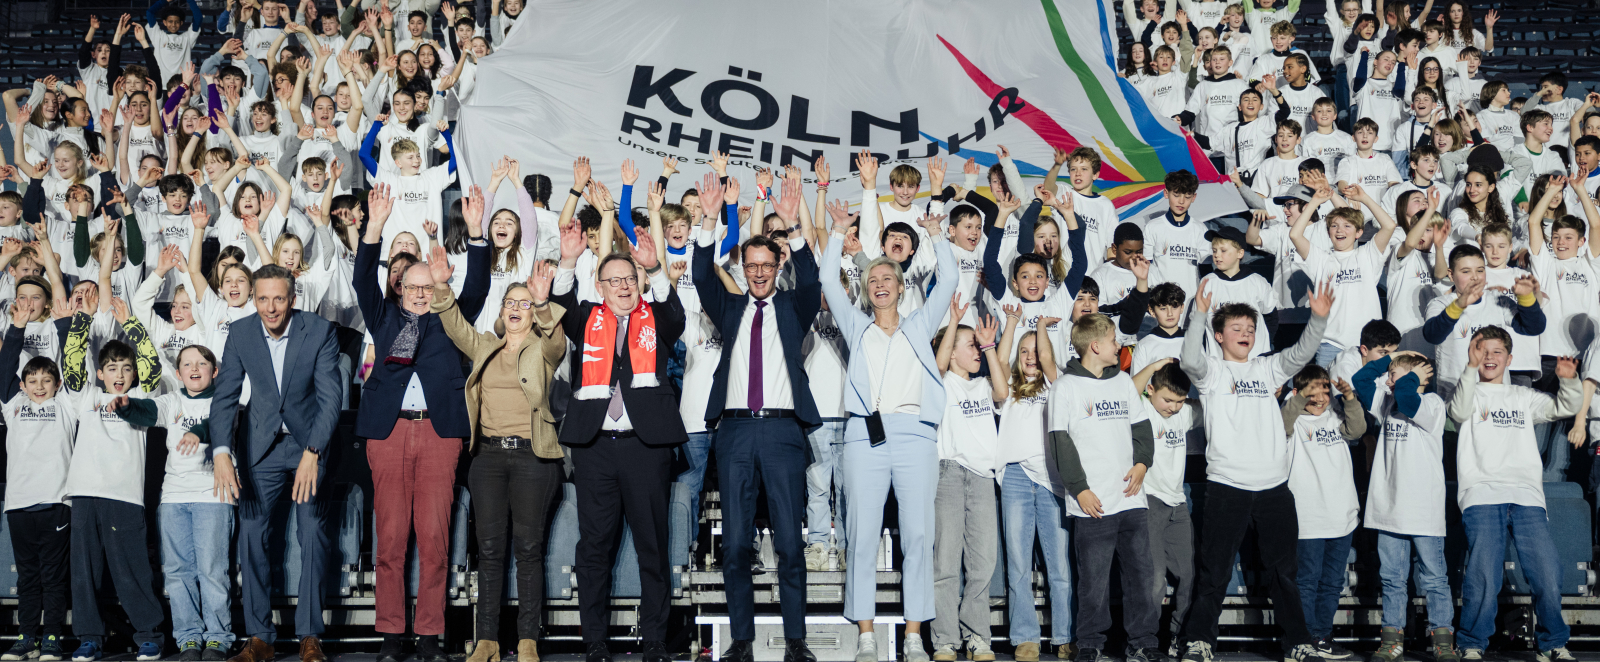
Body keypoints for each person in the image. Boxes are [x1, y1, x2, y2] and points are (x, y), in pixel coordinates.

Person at [819, 154, 956, 662]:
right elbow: (828, 282)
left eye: (888, 279)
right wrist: (838, 232)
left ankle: (915, 635)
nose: (879, 284)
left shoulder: (920, 324)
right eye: (873, 279)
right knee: (862, 535)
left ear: (901, 287)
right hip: (864, 437)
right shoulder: (856, 326)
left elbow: (949, 282)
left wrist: (938, 235)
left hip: (915, 436)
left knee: (917, 534)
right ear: (868, 287)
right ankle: (866, 635)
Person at [551, 177, 686, 662]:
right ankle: (594, 642)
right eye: (614, 281)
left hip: (645, 447)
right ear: (600, 286)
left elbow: (675, 315)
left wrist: (656, 266)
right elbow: (560, 305)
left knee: (653, 547)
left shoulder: (656, 316)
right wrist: (568, 261)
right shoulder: (586, 317)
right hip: (595, 448)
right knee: (594, 548)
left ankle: (655, 641)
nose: (624, 287)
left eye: (630, 279)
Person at [354, 183, 490, 662]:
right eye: (411, 287)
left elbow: (478, 288)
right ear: (399, 289)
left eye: (426, 288)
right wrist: (373, 227)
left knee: (434, 539)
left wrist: (476, 233)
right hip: (388, 433)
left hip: (438, 432)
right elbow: (361, 281)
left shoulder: (448, 320)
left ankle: (430, 636)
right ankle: (392, 636)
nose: (418, 295)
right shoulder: (383, 317)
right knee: (390, 540)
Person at [694, 165, 822, 662]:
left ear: (777, 264)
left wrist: (792, 226)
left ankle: (796, 641)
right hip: (735, 433)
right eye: (752, 266)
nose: (760, 273)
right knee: (735, 546)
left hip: (783, 432)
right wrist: (710, 222)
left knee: (790, 543)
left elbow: (812, 278)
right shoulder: (729, 309)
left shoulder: (793, 306)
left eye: (767, 265)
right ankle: (741, 641)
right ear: (743, 268)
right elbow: (701, 274)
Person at [1178, 276, 1335, 662]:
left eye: (1250, 328)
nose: (1245, 333)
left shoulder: (1267, 368)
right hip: (1226, 486)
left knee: (1284, 573)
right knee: (1214, 572)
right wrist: (1198, 315)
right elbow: (1189, 360)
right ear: (1219, 336)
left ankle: (1297, 642)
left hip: (1273, 488)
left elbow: (1300, 354)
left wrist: (1318, 320)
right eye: (1236, 328)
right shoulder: (1213, 373)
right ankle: (1199, 641)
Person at [433, 224, 566, 662]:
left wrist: (543, 303)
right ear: (501, 310)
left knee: (528, 550)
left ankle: (527, 640)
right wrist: (441, 288)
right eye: (511, 302)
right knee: (489, 552)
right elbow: (455, 327)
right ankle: (486, 640)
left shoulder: (544, 348)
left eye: (524, 304)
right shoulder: (486, 346)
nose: (516, 308)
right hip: (488, 458)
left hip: (533, 459)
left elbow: (558, 343)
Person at [208, 262, 343, 662]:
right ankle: (260, 637)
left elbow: (331, 399)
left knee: (312, 532)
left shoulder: (319, 330)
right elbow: (225, 396)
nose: (270, 308)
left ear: (292, 299)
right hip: (260, 446)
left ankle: (309, 635)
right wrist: (221, 451)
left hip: (308, 444)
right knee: (251, 534)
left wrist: (313, 451)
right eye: (263, 299)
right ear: (254, 299)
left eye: (278, 299)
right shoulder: (240, 332)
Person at [1449, 328, 1582, 662]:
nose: (1489, 357)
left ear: (1509, 359)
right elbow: (1459, 413)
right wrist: (1469, 367)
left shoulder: (1522, 396)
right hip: (1481, 494)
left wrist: (1568, 381)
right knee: (1483, 574)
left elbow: (1564, 407)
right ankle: (1471, 643)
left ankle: (1552, 643)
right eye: (1483, 350)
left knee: (1547, 571)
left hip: (1526, 496)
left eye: (1497, 351)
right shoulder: (1467, 390)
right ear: (1473, 353)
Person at [1052, 313, 1162, 662]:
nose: (1119, 346)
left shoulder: (1124, 382)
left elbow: (1142, 430)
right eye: (1114, 340)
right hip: (1093, 502)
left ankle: (1143, 642)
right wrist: (1080, 489)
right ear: (1096, 346)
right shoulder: (1065, 386)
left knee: (1141, 578)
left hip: (1131, 499)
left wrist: (1142, 463)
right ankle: (1090, 644)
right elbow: (1060, 442)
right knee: (1094, 582)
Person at [1351, 351, 1455, 662]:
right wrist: (1391, 359)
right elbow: (1360, 379)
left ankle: (1442, 641)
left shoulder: (1432, 403)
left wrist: (1413, 376)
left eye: (1393, 377)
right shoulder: (1387, 402)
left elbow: (1409, 400)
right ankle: (1392, 640)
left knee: (1434, 578)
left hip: (1423, 510)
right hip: (1389, 509)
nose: (1388, 382)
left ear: (1416, 377)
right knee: (1392, 579)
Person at [930, 306, 1008, 662]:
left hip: (982, 478)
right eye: (971, 345)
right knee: (945, 562)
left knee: (983, 562)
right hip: (947, 473)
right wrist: (952, 324)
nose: (976, 351)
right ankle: (945, 640)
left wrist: (989, 346)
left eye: (978, 346)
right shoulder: (942, 381)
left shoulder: (983, 384)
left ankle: (977, 636)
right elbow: (939, 364)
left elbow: (1003, 392)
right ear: (952, 351)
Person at [0, 305, 73, 662]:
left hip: (55, 503)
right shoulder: (12, 404)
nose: (39, 387)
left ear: (57, 384)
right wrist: (16, 328)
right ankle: (26, 637)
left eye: (46, 381)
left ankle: (53, 637)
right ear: (23, 384)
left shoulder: (67, 405)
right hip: (18, 505)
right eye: (32, 381)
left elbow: (74, 368)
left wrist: (64, 325)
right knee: (28, 577)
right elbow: (5, 368)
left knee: (53, 577)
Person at [1282, 366, 1365, 659]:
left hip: (1341, 515)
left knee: (1332, 583)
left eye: (1325, 391)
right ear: (1298, 393)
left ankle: (1321, 637)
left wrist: (1349, 398)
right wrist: (1297, 398)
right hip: (1308, 517)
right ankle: (1302, 639)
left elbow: (1358, 429)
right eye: (1312, 392)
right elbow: (1282, 424)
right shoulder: (1291, 420)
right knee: (1306, 581)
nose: (1319, 398)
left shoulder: (1336, 416)